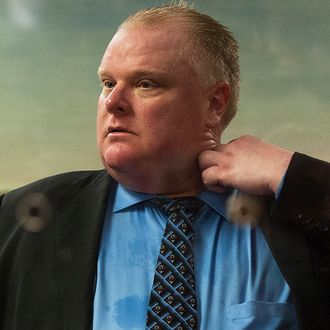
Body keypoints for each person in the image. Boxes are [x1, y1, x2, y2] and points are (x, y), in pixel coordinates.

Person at [0, 3, 329, 330]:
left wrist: (295, 175)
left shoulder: (297, 223)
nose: (113, 102)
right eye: (108, 83)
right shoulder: (16, 221)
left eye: (145, 84)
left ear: (214, 104)